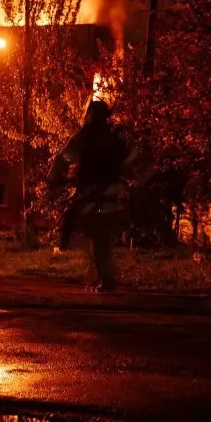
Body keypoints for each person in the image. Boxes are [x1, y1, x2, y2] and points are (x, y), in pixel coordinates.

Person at [47, 98, 138, 292]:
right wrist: (128, 175)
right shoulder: (114, 136)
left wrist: (54, 179)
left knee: (73, 223)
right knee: (101, 238)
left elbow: (63, 156)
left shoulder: (85, 135)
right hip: (111, 194)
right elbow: (131, 156)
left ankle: (70, 250)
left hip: (90, 194)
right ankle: (100, 275)